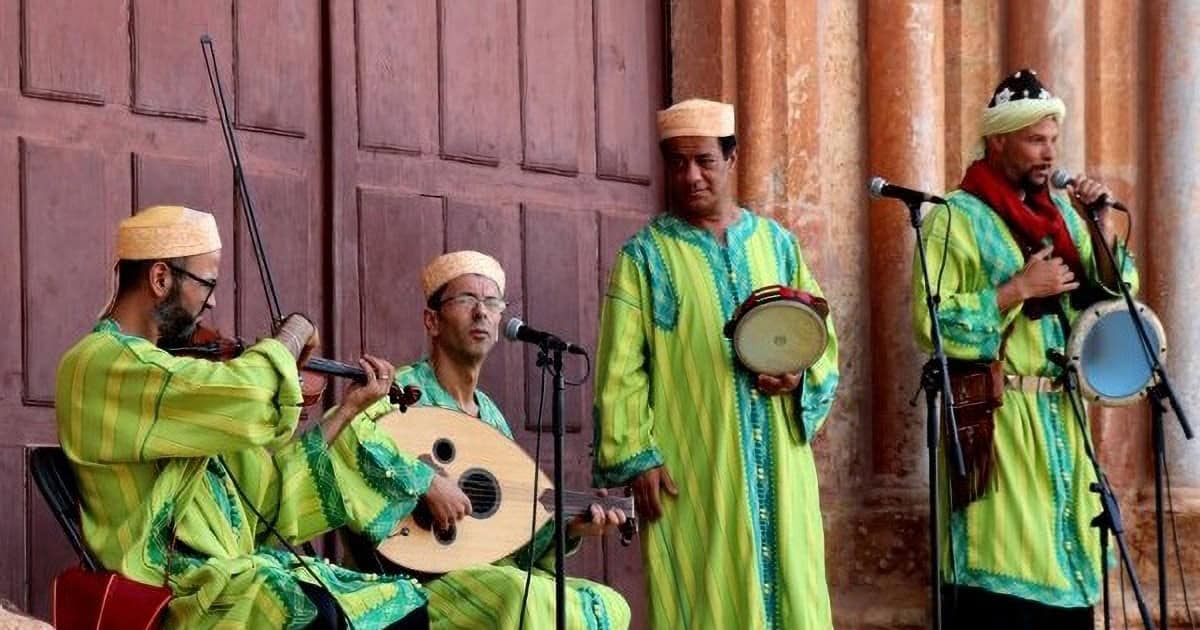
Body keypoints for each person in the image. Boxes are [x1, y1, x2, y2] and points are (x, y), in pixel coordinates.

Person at [55, 205, 467, 629]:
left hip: (233, 578)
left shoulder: (178, 387)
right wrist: (293, 332)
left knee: (400, 608)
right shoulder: (99, 363)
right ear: (160, 279)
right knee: (310, 610)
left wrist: (346, 410)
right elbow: (250, 391)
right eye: (207, 284)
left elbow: (269, 501)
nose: (212, 301)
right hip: (171, 591)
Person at [591, 99, 841, 629]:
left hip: (780, 459)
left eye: (704, 160)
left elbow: (822, 338)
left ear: (732, 157)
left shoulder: (779, 246)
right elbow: (620, 369)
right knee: (704, 599)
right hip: (694, 467)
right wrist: (637, 457)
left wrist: (798, 376)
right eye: (677, 163)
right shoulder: (643, 258)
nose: (691, 176)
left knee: (794, 592)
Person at [912, 69, 1138, 629]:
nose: (1049, 153)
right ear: (999, 142)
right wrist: (1018, 289)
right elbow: (931, 321)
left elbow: (1114, 297)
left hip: (1063, 423)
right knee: (1007, 583)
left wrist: (1101, 223)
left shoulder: (1066, 217)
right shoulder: (953, 218)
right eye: (1036, 140)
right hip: (1002, 424)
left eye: (1053, 140)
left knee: (1068, 589)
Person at [348, 250, 631, 630]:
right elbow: (348, 446)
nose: (481, 312)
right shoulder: (400, 391)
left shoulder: (491, 418)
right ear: (432, 321)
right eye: (466, 300)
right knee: (521, 595)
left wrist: (571, 527)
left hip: (488, 574)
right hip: (414, 578)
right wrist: (425, 480)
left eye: (491, 302)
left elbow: (507, 536)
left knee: (609, 605)